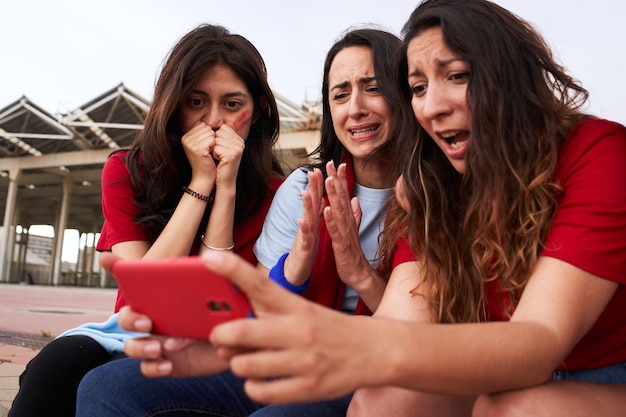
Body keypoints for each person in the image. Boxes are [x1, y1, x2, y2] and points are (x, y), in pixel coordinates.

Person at [99, 1, 626, 416]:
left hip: (598, 372)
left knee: (515, 408)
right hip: (490, 372)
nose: (434, 103)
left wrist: (330, 334)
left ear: (510, 73)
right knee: (384, 399)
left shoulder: (596, 152)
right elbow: (401, 322)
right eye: (419, 87)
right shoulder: (428, 189)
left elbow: (539, 342)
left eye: (458, 75)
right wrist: (240, 345)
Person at [75, 27, 403, 416]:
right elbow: (261, 308)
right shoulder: (302, 188)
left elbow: (420, 332)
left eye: (374, 88)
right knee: (102, 383)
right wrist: (295, 265)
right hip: (281, 354)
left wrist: (359, 273)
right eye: (340, 94)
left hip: (370, 364)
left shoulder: (428, 196)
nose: (356, 107)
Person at [8, 23, 284, 417]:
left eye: (232, 104)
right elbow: (146, 289)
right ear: (173, 106)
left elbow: (212, 295)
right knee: (55, 366)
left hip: (216, 345)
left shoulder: (279, 194)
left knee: (121, 387)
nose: (214, 121)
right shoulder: (125, 170)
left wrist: (227, 188)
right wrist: (202, 181)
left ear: (257, 111)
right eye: (196, 102)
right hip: (131, 331)